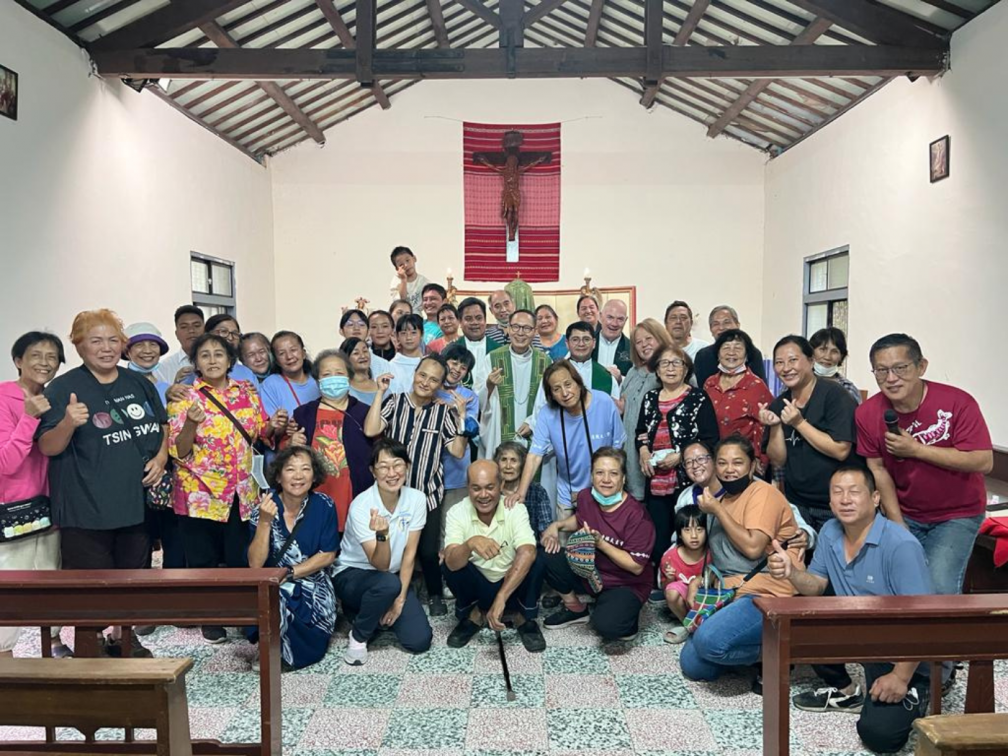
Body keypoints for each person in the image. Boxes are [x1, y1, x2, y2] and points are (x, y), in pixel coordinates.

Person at [856, 333, 992, 686]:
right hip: (907, 511)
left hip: (957, 513)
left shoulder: (957, 402)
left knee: (938, 587)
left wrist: (917, 450)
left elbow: (983, 460)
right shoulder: (868, 413)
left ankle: (937, 673)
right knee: (896, 585)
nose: (891, 378)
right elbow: (878, 470)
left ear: (921, 366)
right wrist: (898, 523)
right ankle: (900, 660)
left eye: (900, 368)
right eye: (881, 370)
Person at [769, 466, 933, 752]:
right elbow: (817, 586)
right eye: (837, 492)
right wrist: (791, 573)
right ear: (830, 503)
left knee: (879, 736)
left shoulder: (901, 545)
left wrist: (900, 676)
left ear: (876, 498)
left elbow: (924, 620)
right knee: (802, 617)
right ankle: (846, 690)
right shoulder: (831, 531)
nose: (845, 499)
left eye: (854, 492)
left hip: (903, 651)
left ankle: (921, 689)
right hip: (862, 637)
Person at [37, 309, 169, 658]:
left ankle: (123, 636)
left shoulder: (138, 382)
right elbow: (48, 446)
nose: (106, 348)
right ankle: (90, 640)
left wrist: (161, 457)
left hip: (134, 503)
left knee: (132, 577)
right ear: (80, 346)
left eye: (113, 340)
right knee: (91, 584)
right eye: (96, 341)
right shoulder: (63, 388)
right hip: (85, 506)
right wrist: (67, 422)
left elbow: (162, 424)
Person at [168, 332, 285, 644]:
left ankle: (239, 612)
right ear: (195, 363)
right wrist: (191, 423)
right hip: (199, 493)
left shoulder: (246, 390)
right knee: (202, 559)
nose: (212, 360)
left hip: (240, 491)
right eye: (204, 355)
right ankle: (210, 616)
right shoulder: (184, 397)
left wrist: (274, 423)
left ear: (230, 360)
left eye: (218, 354)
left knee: (237, 555)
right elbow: (178, 450)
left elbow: (260, 431)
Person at [678, 435, 802, 685]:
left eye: (737, 462)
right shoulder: (721, 500)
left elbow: (753, 548)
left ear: (753, 465)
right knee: (693, 665)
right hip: (731, 592)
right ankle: (757, 651)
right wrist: (698, 582)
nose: (729, 469)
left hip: (768, 593)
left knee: (709, 642)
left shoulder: (762, 493)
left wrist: (717, 511)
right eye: (722, 463)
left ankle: (784, 652)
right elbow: (717, 557)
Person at [364, 355, 467, 616]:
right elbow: (371, 429)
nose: (425, 382)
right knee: (395, 545)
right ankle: (398, 592)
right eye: (422, 375)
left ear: (440, 384)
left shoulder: (444, 412)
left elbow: (456, 451)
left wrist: (463, 420)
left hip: (427, 494)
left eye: (433, 379)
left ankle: (434, 594)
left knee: (428, 551)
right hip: (393, 494)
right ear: (414, 374)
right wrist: (379, 393)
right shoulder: (396, 402)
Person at [0, 331, 72, 659]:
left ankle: (53, 639)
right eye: (35, 355)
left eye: (52, 357)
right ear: (18, 361)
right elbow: (7, 463)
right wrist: (29, 418)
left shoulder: (58, 397)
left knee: (51, 575)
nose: (44, 363)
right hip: (13, 509)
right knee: (10, 583)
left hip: (52, 505)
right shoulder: (3, 398)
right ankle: (4, 650)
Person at [333, 438, 432, 665]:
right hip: (353, 574)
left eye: (397, 465)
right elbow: (381, 565)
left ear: (407, 466)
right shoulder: (362, 505)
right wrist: (382, 534)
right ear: (373, 471)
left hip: (391, 580)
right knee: (387, 583)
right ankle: (358, 637)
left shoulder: (416, 499)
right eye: (383, 467)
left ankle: (369, 611)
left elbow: (409, 555)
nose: (392, 473)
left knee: (419, 641)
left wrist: (399, 601)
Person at [540, 447, 655, 641]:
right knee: (546, 554)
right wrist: (557, 525)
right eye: (599, 473)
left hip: (625, 583)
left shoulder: (637, 516)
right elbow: (580, 520)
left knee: (608, 627)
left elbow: (636, 566)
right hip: (591, 573)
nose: (606, 480)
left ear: (624, 478)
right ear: (592, 476)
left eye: (613, 473)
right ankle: (576, 609)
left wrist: (601, 544)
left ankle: (622, 611)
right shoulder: (586, 497)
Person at [635, 345, 718, 594]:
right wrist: (642, 451)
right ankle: (666, 584)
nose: (670, 368)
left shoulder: (698, 397)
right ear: (657, 371)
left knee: (687, 529)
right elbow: (640, 432)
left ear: (686, 370)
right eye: (664, 364)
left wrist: (680, 456)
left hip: (686, 479)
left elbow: (711, 437)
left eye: (677, 363)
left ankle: (692, 584)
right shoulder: (650, 398)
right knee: (659, 532)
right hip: (655, 479)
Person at [248, 446, 339, 671]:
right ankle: (270, 649)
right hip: (272, 583)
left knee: (307, 604)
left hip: (312, 580)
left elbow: (328, 555)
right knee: (273, 596)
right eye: (290, 470)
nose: (298, 476)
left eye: (305, 469)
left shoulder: (324, 505)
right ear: (278, 475)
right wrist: (265, 522)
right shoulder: (264, 509)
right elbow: (255, 564)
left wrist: (289, 573)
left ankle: (294, 651)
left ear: (314, 474)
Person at [442, 460, 547, 652]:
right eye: (476, 488)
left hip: (511, 587)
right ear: (468, 488)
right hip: (479, 587)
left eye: (490, 487)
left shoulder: (515, 509)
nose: (483, 495)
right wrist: (470, 543)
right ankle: (474, 615)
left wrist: (501, 596)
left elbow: (527, 551)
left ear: (502, 485)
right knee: (449, 559)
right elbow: (451, 561)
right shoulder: (456, 513)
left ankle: (523, 617)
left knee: (536, 557)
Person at [760, 335, 858, 533]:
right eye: (779, 362)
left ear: (811, 361)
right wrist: (776, 426)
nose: (786, 368)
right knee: (799, 562)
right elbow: (778, 460)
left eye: (793, 360)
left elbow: (840, 450)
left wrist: (799, 423)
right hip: (798, 503)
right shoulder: (779, 403)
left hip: (836, 503)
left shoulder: (835, 395)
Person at [511, 360, 626, 517]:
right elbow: (535, 455)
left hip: (604, 491)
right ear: (551, 395)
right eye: (556, 389)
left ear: (578, 382)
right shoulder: (547, 413)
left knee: (602, 540)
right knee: (567, 539)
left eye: (568, 384)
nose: (565, 393)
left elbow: (618, 448)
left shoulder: (604, 402)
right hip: (569, 494)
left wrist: (610, 488)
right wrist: (521, 493)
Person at [287, 350, 374, 531]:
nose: (333, 378)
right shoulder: (303, 413)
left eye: (339, 373)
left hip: (354, 490)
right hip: (316, 491)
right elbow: (286, 453)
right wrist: (291, 442)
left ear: (349, 377)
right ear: (318, 380)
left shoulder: (364, 412)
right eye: (326, 374)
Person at [123, 322, 183, 573]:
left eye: (153, 345)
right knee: (138, 539)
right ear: (127, 350)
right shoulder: (120, 382)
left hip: (166, 470)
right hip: (132, 472)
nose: (147, 351)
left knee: (172, 535)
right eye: (139, 345)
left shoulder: (165, 386)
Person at [478, 309, 550, 460]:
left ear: (535, 331)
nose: (520, 333)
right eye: (515, 327)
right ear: (509, 329)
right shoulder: (492, 358)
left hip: (532, 430)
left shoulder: (545, 362)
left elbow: (549, 402)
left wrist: (533, 422)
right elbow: (479, 399)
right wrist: (489, 385)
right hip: (499, 431)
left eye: (527, 328)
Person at [703, 329, 774, 472]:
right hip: (711, 458)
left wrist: (760, 458)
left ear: (746, 355)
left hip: (743, 460)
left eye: (738, 348)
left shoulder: (756, 385)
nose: (731, 353)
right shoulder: (709, 383)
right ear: (718, 354)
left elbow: (765, 426)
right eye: (726, 348)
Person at [621, 319, 673, 502]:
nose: (644, 345)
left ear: (660, 337)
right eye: (638, 341)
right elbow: (625, 406)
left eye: (648, 338)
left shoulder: (672, 370)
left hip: (660, 457)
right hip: (630, 453)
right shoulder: (632, 373)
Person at [436, 343, 480, 536]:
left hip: (457, 473)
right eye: (454, 363)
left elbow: (471, 429)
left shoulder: (469, 396)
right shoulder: (429, 388)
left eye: (463, 368)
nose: (457, 370)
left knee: (453, 529)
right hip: (429, 472)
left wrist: (455, 411)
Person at [659, 505, 708, 644]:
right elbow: (665, 590)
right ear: (679, 534)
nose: (694, 536)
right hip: (684, 603)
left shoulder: (712, 553)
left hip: (706, 600)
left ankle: (701, 625)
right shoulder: (670, 557)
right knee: (672, 591)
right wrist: (668, 578)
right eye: (687, 530)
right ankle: (689, 625)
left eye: (699, 529)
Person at [693, 306, 767, 387]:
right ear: (711, 329)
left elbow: (760, 388)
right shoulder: (703, 356)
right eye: (716, 324)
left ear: (737, 325)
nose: (721, 328)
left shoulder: (752, 353)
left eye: (727, 322)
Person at [495, 441, 552, 541]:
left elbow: (545, 528)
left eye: (513, 460)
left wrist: (548, 539)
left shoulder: (537, 491)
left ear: (522, 465)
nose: (508, 466)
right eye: (504, 460)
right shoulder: (491, 492)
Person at [261, 331, 320, 418]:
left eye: (293, 350)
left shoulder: (318, 380)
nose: (289, 357)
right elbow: (272, 425)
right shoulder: (271, 384)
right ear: (277, 361)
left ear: (303, 353)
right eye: (282, 353)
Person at [455, 297, 505, 391]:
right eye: (468, 319)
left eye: (479, 318)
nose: (474, 323)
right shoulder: (451, 350)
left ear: (485, 321)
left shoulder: (499, 350)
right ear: (460, 322)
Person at [565, 321, 620, 402]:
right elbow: (541, 407)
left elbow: (614, 410)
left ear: (594, 343)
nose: (581, 344)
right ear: (567, 343)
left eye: (586, 339)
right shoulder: (554, 373)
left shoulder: (607, 377)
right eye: (575, 339)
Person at [205, 314, 260, 388]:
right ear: (207, 335)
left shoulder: (247, 374)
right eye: (224, 332)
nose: (230, 338)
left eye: (235, 333)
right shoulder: (197, 372)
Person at [810, 326, 861, 405]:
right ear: (811, 352)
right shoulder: (798, 382)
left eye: (834, 351)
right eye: (823, 349)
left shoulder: (848, 389)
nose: (827, 357)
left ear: (841, 356)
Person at [154, 305, 204, 384]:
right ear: (176, 334)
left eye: (196, 326)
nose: (191, 330)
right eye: (184, 327)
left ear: (205, 330)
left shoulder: (218, 361)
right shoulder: (164, 368)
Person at [341, 337, 388, 406]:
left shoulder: (382, 386)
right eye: (356, 353)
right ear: (345, 359)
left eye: (365, 351)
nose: (363, 356)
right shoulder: (344, 390)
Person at [593, 299, 632, 379]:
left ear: (625, 320)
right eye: (610, 317)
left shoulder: (633, 348)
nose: (614, 323)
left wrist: (621, 379)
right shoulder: (585, 344)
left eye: (620, 319)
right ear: (600, 317)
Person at [389, 314, 425, 393]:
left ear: (422, 334)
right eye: (403, 333)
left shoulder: (428, 363)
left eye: (413, 333)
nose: (408, 338)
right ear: (397, 336)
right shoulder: (391, 366)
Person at [392, 246, 429, 313]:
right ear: (397, 269)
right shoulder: (396, 281)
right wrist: (403, 280)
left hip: (418, 319)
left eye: (407, 260)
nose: (406, 265)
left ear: (414, 258)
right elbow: (402, 301)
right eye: (401, 265)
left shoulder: (424, 282)